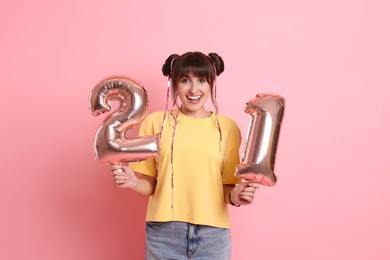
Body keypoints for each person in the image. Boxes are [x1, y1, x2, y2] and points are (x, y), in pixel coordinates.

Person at [111, 51, 260, 260]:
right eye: (184, 80)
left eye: (201, 80)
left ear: (211, 84)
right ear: (174, 84)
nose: (193, 89)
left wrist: (237, 196)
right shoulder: (156, 123)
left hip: (213, 236)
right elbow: (151, 185)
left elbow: (227, 188)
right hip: (164, 235)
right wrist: (133, 182)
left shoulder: (227, 128)